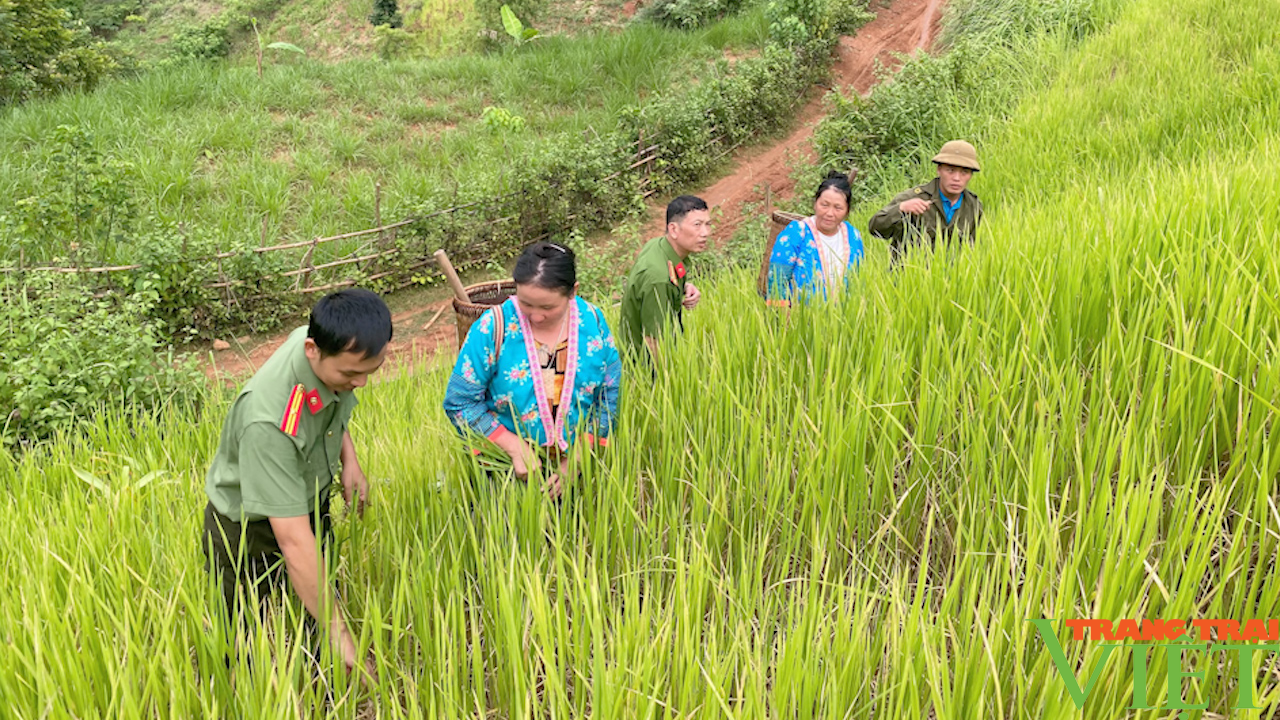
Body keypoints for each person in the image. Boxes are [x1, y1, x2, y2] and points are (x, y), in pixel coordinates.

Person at [203, 288, 391, 678]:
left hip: (308, 491)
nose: (361, 383)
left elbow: (330, 410)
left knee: (312, 603)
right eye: (351, 373)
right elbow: (292, 540)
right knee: (243, 632)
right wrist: (340, 632)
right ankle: (246, 694)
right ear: (312, 350)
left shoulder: (325, 348)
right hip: (246, 525)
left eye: (369, 372)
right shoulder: (269, 421)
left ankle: (321, 678)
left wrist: (349, 461)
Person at [443, 242, 622, 498]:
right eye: (527, 304)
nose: (536, 316)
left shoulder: (592, 322)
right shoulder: (494, 327)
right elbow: (459, 402)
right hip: (503, 473)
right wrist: (514, 447)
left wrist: (579, 459)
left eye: (548, 307)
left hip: (576, 472)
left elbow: (609, 395)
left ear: (573, 292)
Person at [617, 195, 708, 360]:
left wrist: (684, 287)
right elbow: (653, 341)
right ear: (673, 229)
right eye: (697, 225)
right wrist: (671, 380)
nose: (705, 233)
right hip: (643, 367)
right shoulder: (658, 278)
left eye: (707, 224)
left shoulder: (659, 246)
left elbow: (671, 277)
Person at [869, 140, 984, 264]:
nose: (956, 178)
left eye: (964, 172)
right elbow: (875, 228)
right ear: (939, 169)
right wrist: (901, 209)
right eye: (950, 170)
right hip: (909, 276)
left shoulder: (973, 205)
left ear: (971, 175)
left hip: (952, 278)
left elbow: (973, 248)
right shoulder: (912, 197)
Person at [766, 171, 865, 304]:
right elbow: (777, 281)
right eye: (824, 205)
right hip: (799, 319)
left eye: (838, 208)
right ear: (815, 203)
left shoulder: (853, 236)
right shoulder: (796, 233)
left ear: (847, 211)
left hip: (843, 319)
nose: (830, 213)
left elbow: (858, 280)